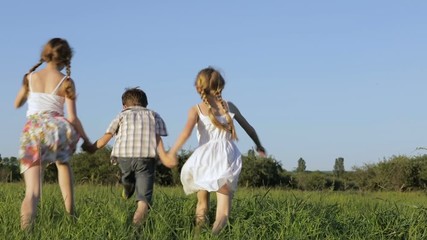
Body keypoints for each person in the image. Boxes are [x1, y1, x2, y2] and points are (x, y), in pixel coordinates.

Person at [167, 67, 266, 234]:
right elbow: (249, 128)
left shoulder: (196, 109)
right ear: (221, 85)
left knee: (202, 205)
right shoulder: (230, 106)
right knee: (223, 213)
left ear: (199, 87)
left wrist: (173, 151)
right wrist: (258, 145)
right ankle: (213, 236)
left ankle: (198, 236)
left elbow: (186, 133)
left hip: (203, 158)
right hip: (226, 158)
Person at [14, 38, 91, 230]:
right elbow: (72, 118)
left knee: (31, 192)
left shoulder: (30, 77)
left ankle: (26, 231)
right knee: (62, 163)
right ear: (66, 59)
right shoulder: (66, 81)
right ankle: (70, 214)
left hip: (33, 130)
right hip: (56, 128)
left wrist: (27, 92)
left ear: (45, 54)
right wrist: (87, 141)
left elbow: (17, 103)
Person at [88, 87, 176, 225]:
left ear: (124, 106)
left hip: (124, 157)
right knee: (143, 201)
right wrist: (164, 156)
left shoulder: (121, 115)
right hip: (146, 159)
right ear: (146, 104)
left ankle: (127, 187)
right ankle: (136, 231)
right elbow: (158, 138)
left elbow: (106, 137)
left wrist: (91, 147)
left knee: (127, 178)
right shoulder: (154, 115)